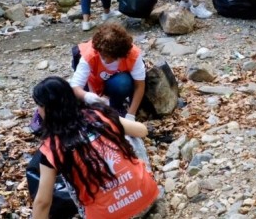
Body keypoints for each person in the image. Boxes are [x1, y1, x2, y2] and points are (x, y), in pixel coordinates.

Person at [31, 76, 160, 219]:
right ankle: (140, 181)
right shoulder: (99, 114)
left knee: (66, 167)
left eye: (39, 106)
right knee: (128, 135)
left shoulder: (52, 147)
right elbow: (142, 130)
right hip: (146, 199)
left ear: (46, 109)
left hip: (107, 216)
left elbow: (43, 202)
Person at [69, 22, 145, 121]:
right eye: (102, 55)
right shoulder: (90, 54)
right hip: (92, 84)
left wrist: (131, 114)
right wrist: (87, 96)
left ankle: (116, 105)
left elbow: (139, 85)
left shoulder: (132, 54)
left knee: (123, 82)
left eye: (109, 57)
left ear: (118, 54)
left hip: (115, 83)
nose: (104, 60)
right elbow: (75, 87)